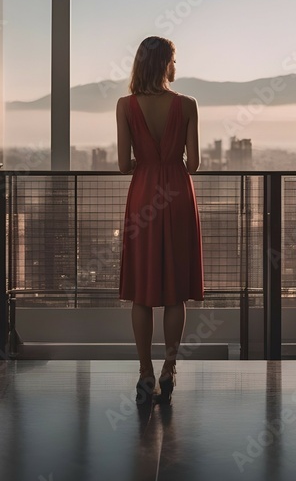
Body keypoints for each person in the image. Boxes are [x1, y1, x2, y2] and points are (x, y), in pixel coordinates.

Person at [115, 36, 204, 404]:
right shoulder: (187, 105)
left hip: (142, 196)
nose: (176, 67)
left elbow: (123, 165)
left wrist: (145, 164)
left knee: (142, 291)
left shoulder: (125, 106)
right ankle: (169, 370)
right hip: (178, 197)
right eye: (174, 60)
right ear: (166, 64)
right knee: (175, 292)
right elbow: (194, 163)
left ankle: (144, 373)